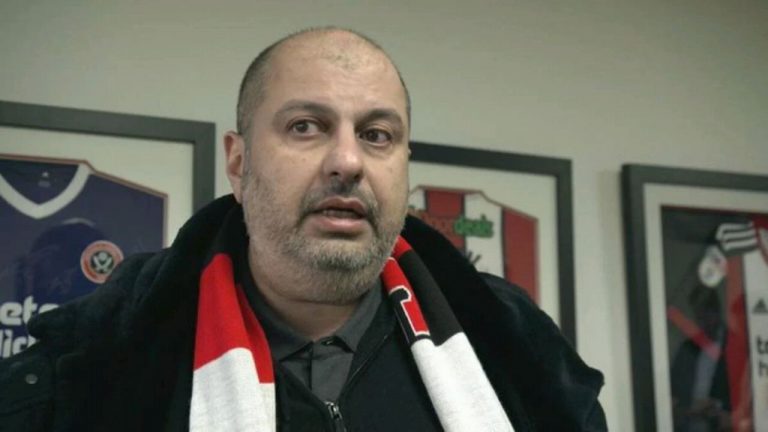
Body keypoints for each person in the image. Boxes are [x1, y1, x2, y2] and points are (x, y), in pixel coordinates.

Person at [0, 27, 606, 431]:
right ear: (238, 163)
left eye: (376, 135)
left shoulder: (514, 347)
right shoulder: (96, 364)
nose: (347, 161)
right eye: (305, 127)